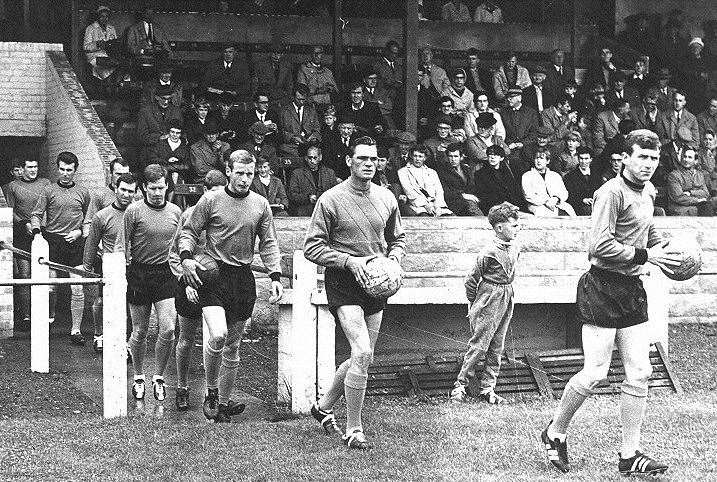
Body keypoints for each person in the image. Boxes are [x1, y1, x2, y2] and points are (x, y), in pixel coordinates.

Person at [541, 129, 679, 476]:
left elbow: (645, 232)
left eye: (654, 158)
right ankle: (555, 433)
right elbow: (598, 247)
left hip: (632, 288)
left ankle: (629, 455)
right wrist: (647, 255)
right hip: (602, 287)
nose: (648, 165)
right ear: (625, 157)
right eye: (642, 157)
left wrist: (666, 247)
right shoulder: (610, 193)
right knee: (595, 374)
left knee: (640, 371)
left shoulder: (647, 192)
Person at [304, 135, 406, 449]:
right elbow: (312, 247)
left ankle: (321, 407)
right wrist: (349, 261)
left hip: (376, 284)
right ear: (349, 161)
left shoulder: (387, 198)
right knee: (361, 351)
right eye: (361, 159)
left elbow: (398, 239)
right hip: (344, 282)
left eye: (373, 160)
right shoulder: (330, 199)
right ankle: (354, 428)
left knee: (364, 356)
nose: (368, 164)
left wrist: (393, 260)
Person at [179, 150, 283, 422]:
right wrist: (187, 258)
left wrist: (274, 275)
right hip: (214, 276)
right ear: (228, 171)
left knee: (234, 345)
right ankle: (211, 391)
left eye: (250, 174)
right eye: (239, 173)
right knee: (217, 336)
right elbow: (189, 232)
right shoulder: (211, 199)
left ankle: (223, 404)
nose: (245, 179)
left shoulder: (261, 204)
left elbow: (269, 242)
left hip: (242, 277)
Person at [118, 164, 181, 402]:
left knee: (168, 329)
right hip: (140, 273)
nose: (157, 192)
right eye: (152, 188)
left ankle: (159, 377)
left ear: (166, 187)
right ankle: (138, 376)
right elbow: (124, 245)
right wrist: (125, 270)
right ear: (144, 188)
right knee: (140, 331)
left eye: (161, 188)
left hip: (165, 273)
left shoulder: (176, 211)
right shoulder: (133, 211)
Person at [450, 201, 520, 404]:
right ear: (499, 227)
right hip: (488, 298)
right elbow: (471, 280)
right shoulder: (488, 252)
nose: (518, 229)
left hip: (507, 296)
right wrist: (476, 304)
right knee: (480, 344)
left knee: (497, 345)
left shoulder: (515, 247)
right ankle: (460, 386)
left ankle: (488, 388)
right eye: (513, 225)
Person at [168, 170, 227, 411]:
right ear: (204, 191)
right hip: (189, 283)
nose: (215, 198)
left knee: (217, 336)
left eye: (220, 193)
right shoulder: (190, 215)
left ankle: (212, 391)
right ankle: (182, 387)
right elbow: (174, 254)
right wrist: (186, 281)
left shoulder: (227, 215)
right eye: (212, 193)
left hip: (215, 285)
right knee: (186, 338)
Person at [30, 152, 91, 345]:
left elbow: (88, 221)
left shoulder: (83, 192)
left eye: (69, 170)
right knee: (50, 287)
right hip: (53, 241)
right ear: (58, 169)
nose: (65, 173)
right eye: (62, 169)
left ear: (75, 171)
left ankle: (76, 331)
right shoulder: (48, 190)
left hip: (74, 243)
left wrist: (80, 233)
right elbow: (36, 215)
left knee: (77, 287)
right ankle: (48, 320)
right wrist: (38, 234)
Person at [82, 173, 137, 353]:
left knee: (129, 305)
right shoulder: (101, 216)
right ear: (115, 189)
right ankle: (99, 334)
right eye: (123, 190)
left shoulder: (138, 212)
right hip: (108, 264)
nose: (126, 195)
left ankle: (126, 341)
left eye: (130, 191)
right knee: (102, 300)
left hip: (132, 266)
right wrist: (87, 267)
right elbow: (91, 243)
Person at [4, 159, 51, 331]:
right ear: (22, 169)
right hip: (23, 234)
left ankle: (46, 315)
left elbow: (49, 206)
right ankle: (26, 316)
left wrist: (39, 224)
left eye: (36, 167)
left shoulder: (46, 183)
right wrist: (24, 223)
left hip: (42, 232)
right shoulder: (12, 186)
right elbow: (10, 210)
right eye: (29, 167)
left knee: (45, 273)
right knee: (25, 274)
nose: (33, 170)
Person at [397, 145, 453, 216]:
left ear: (425, 158)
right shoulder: (403, 172)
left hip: (437, 205)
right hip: (418, 206)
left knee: (451, 218)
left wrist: (437, 206)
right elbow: (409, 191)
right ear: (411, 156)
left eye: (420, 156)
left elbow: (439, 190)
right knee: (426, 220)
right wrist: (426, 205)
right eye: (415, 156)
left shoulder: (432, 172)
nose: (417, 159)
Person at [136, 85, 183, 168]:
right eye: (163, 98)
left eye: (169, 99)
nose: (166, 102)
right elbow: (142, 137)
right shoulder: (145, 111)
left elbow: (181, 133)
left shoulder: (176, 111)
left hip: (172, 154)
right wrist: (161, 137)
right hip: (151, 154)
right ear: (156, 97)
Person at [522, 150, 576, 217]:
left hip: (556, 204)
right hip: (537, 206)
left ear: (547, 161)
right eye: (536, 158)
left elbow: (564, 192)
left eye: (541, 158)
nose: (538, 161)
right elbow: (528, 195)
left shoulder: (555, 175)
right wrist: (546, 201)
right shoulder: (527, 176)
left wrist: (556, 199)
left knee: (569, 212)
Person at [474, 145, 526, 212]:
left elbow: (514, 190)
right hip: (493, 207)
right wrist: (502, 203)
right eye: (490, 155)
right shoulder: (480, 174)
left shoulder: (507, 172)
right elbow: (484, 195)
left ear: (501, 158)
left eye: (496, 155)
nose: (492, 157)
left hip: (510, 205)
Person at [288, 146, 338, 216]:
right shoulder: (297, 173)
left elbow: (335, 194)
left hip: (326, 211)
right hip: (305, 211)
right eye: (310, 158)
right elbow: (292, 195)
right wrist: (308, 198)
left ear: (320, 157)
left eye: (315, 158)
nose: (312, 161)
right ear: (306, 158)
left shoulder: (330, 173)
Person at [666, 147, 715, 216]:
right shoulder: (674, 175)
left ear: (695, 161)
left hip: (699, 205)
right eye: (685, 157)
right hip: (680, 207)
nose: (686, 159)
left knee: (708, 206)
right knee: (706, 207)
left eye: (690, 157)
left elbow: (706, 193)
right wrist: (698, 200)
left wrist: (690, 192)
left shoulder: (699, 174)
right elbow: (678, 198)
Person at [436, 144, 482, 215]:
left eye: (456, 156)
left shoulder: (467, 169)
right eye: (450, 156)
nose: (453, 159)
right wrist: (463, 195)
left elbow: (473, 186)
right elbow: (445, 191)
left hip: (471, 200)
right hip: (455, 203)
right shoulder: (443, 171)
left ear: (461, 157)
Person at [501, 88, 540, 172]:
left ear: (519, 98)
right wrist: (509, 144)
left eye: (511, 97)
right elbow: (502, 133)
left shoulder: (531, 113)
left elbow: (534, 133)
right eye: (508, 97)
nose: (508, 99)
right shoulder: (503, 113)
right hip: (511, 150)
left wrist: (522, 143)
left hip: (528, 148)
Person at [150, 120, 190, 200]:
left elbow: (187, 165)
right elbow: (153, 159)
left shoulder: (184, 147)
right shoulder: (161, 144)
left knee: (176, 177)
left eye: (177, 133)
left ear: (181, 134)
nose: (174, 135)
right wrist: (166, 161)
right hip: (162, 176)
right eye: (172, 132)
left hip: (180, 176)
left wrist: (173, 165)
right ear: (169, 132)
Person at [279, 84, 321, 159]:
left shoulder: (311, 111)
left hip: (310, 146)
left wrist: (313, 137)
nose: (301, 102)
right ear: (293, 97)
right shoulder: (284, 111)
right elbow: (280, 131)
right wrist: (292, 138)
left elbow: (317, 129)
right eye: (299, 99)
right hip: (291, 147)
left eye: (304, 99)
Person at [252, 39, 294, 108]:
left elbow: (289, 85)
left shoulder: (286, 66)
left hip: (281, 98)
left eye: (279, 53)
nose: (276, 56)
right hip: (265, 98)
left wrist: (286, 98)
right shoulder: (261, 65)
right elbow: (255, 84)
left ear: (282, 54)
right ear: (270, 53)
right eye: (274, 53)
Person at [83, 5, 118, 81]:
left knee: (118, 69)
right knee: (106, 72)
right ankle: (107, 88)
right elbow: (85, 47)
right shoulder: (91, 28)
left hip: (109, 56)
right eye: (102, 16)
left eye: (106, 16)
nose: (104, 19)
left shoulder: (111, 28)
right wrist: (97, 44)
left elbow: (116, 44)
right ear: (97, 17)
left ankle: (112, 88)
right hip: (95, 56)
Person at [297, 45, 338, 110]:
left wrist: (330, 88)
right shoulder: (304, 69)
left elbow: (335, 91)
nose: (316, 56)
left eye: (319, 53)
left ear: (323, 55)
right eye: (314, 53)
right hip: (310, 107)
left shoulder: (328, 72)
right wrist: (317, 90)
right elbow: (301, 91)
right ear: (311, 55)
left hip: (327, 107)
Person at [189, 120, 231, 185]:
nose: (211, 136)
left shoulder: (225, 146)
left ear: (217, 134)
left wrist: (219, 152)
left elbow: (227, 168)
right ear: (205, 135)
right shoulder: (195, 147)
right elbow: (200, 170)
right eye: (209, 134)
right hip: (203, 180)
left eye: (213, 134)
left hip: (221, 180)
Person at [564, 147, 600, 215]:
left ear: (591, 159)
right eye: (581, 158)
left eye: (586, 159)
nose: (583, 162)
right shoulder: (570, 177)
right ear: (578, 159)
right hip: (578, 209)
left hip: (596, 207)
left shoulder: (597, 174)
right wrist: (582, 200)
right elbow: (569, 197)